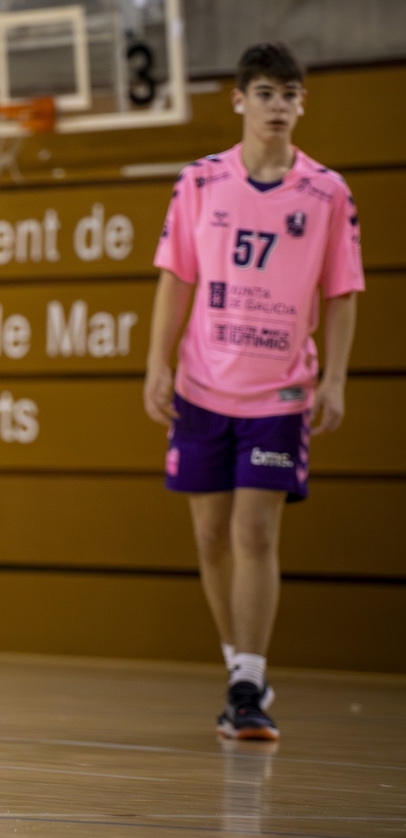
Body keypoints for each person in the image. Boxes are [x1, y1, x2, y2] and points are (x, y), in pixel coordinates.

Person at [143, 42, 363, 742]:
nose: (278, 106)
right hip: (203, 387)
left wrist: (334, 379)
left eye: (290, 94)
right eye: (266, 93)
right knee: (211, 535)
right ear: (239, 100)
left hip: (281, 393)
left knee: (254, 531)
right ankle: (240, 664)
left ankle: (247, 684)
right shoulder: (199, 182)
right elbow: (176, 277)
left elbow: (343, 291)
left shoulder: (327, 193)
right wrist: (157, 364)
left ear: (302, 105)